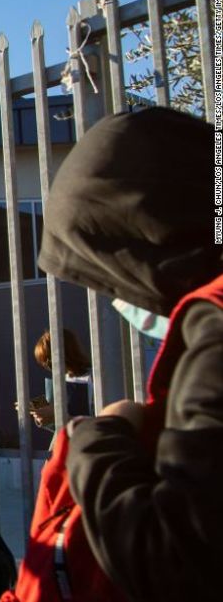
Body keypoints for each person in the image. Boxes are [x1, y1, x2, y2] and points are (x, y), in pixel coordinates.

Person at [37, 107, 222, 600]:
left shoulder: (215, 331)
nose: (118, 298)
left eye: (107, 273)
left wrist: (98, 439)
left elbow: (175, 561)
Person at [21, 328, 92, 432]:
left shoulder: (94, 378)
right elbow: (54, 409)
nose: (48, 366)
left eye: (48, 360)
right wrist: (36, 408)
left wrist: (60, 416)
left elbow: (101, 421)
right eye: (44, 363)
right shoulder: (62, 379)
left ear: (66, 353)